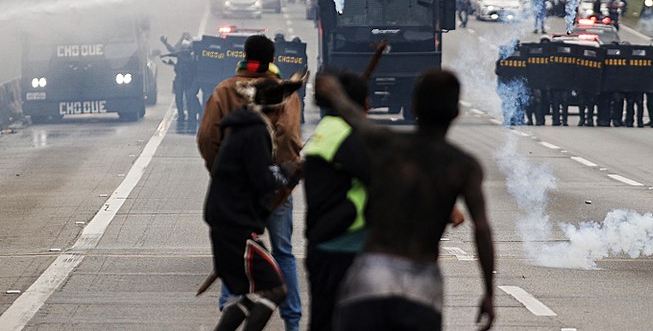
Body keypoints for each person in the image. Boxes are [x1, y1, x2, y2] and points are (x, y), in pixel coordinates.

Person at [314, 69, 495, 331]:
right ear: (456, 113)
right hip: (422, 285)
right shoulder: (464, 166)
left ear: (414, 107)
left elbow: (354, 117)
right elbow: (482, 230)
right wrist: (489, 293)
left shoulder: (389, 145)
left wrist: (334, 92)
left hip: (371, 276)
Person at [197, 34, 304, 331]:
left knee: (238, 259)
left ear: (244, 55)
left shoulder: (224, 90)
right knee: (282, 253)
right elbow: (291, 138)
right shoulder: (282, 93)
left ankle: (231, 308)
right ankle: (292, 323)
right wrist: (284, 175)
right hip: (276, 189)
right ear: (273, 59)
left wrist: (224, 172)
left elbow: (207, 138)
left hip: (236, 196)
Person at [303, 72, 372, 331]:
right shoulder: (344, 136)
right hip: (344, 246)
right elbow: (380, 175)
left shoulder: (329, 129)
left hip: (325, 242)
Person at [161, 32, 201, 127]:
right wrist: (166, 43)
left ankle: (194, 114)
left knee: (189, 97)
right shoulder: (180, 52)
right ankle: (181, 115)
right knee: (178, 98)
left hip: (188, 79)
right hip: (180, 78)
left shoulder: (192, 54)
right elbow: (173, 51)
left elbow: (191, 62)